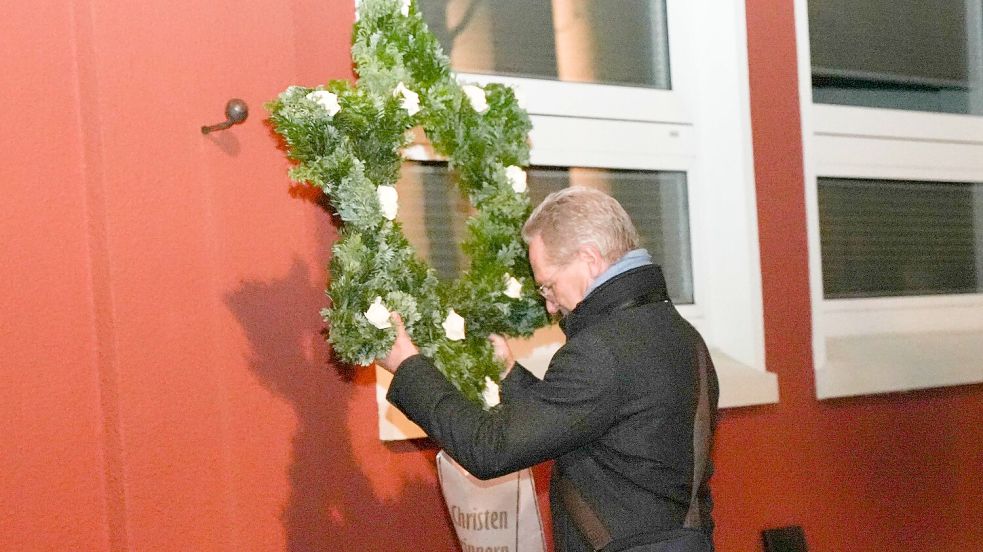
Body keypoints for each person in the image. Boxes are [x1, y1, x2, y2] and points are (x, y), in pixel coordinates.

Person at [379, 186, 719, 552]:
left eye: (548, 286)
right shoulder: (679, 334)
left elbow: (490, 449)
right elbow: (588, 421)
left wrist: (407, 367)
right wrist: (509, 371)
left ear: (588, 258)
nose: (551, 306)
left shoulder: (600, 349)